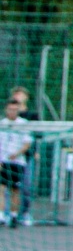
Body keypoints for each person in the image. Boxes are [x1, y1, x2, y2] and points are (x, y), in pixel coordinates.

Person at [0, 92, 30, 226]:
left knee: (15, 190)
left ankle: (13, 216)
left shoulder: (24, 124)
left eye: (15, 109)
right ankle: (1, 215)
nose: (12, 112)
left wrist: (17, 153)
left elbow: (27, 143)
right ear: (6, 110)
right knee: (1, 188)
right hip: (3, 161)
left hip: (17, 162)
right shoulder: (2, 124)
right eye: (10, 109)